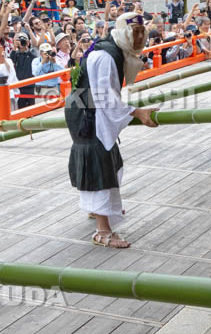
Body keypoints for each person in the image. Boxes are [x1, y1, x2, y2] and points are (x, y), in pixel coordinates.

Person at [65, 13, 157, 248]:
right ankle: (102, 232)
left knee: (108, 161)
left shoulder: (111, 49)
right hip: (87, 114)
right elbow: (106, 97)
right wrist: (136, 112)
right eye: (134, 32)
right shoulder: (106, 55)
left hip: (86, 107)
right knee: (100, 166)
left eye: (141, 32)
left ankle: (97, 212)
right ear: (123, 32)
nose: (138, 37)